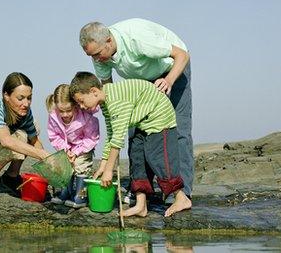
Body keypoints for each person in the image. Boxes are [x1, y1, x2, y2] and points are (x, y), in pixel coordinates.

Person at [79, 18, 194, 202]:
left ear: (108, 40)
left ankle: (182, 193)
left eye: (98, 54)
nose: (96, 59)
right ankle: (142, 192)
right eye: (91, 56)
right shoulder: (100, 55)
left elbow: (182, 55)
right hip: (141, 82)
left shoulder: (137, 38)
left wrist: (169, 81)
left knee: (177, 130)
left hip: (171, 70)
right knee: (136, 132)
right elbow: (110, 95)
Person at [69, 71, 191, 217]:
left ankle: (181, 197)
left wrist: (109, 171)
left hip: (159, 117)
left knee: (157, 157)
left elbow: (118, 139)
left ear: (94, 91)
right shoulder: (104, 102)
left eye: (82, 101)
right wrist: (103, 165)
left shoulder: (115, 100)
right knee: (136, 156)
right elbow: (111, 133)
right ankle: (141, 205)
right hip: (142, 121)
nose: (81, 106)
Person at [45, 84, 99, 208]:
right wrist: (65, 149)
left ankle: (82, 195)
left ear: (75, 105)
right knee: (65, 166)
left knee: (81, 166)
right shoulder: (54, 116)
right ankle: (66, 192)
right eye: (61, 111)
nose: (64, 114)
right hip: (66, 148)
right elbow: (54, 135)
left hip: (83, 147)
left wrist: (76, 152)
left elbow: (91, 138)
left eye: (68, 110)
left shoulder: (85, 117)